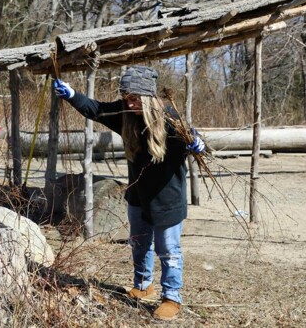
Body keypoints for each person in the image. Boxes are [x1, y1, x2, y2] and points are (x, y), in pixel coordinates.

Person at [53, 65, 204, 321]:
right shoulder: (125, 115)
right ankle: (144, 286)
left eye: (133, 98)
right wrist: (71, 94)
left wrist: (197, 144)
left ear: (146, 97)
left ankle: (172, 297)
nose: (129, 103)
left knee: (168, 250)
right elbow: (97, 109)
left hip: (167, 201)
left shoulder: (169, 121)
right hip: (137, 196)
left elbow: (192, 137)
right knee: (139, 244)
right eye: (126, 97)